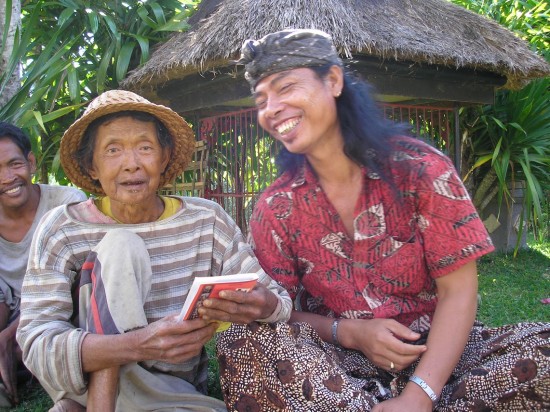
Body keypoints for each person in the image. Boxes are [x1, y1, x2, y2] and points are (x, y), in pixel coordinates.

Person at [215, 29, 550, 411]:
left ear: (334, 81)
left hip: (441, 357)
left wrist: (420, 394)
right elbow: (280, 311)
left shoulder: (420, 171)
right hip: (331, 367)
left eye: (286, 87)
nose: (271, 108)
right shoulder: (277, 206)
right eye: (261, 99)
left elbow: (458, 292)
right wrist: (350, 332)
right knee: (243, 341)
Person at [16, 90, 292, 412]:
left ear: (163, 158)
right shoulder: (62, 227)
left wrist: (260, 303)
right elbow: (36, 343)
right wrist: (137, 344)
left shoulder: (207, 221)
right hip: (89, 385)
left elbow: (278, 302)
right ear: (91, 167)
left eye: (145, 148)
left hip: (172, 394)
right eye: (113, 150)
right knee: (121, 246)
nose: (131, 164)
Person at [0, 122, 86, 407]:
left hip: (61, 310)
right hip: (12, 316)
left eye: (14, 164)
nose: (7, 178)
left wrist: (19, 330)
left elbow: (82, 279)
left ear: (31, 162)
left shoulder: (67, 205)